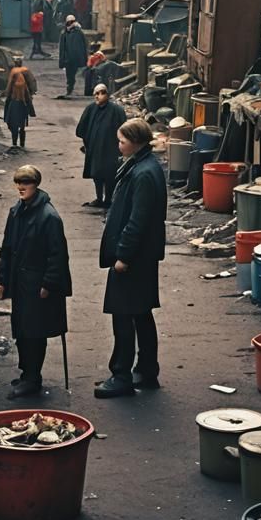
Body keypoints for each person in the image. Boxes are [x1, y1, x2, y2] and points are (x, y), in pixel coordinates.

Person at [94, 117, 167, 399]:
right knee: (140, 312)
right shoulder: (143, 166)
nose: (118, 144)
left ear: (135, 142)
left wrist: (123, 255)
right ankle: (147, 370)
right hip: (144, 256)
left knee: (123, 315)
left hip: (134, 258)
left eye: (122, 140)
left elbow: (138, 220)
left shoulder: (143, 173)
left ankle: (121, 375)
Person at [0, 166, 71, 399]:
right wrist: (2, 279)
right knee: (22, 329)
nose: (21, 187)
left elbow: (57, 255)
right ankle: (26, 371)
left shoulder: (49, 217)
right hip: (21, 281)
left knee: (35, 332)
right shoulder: (16, 211)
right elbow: (7, 248)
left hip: (37, 284)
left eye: (25, 183)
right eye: (18, 183)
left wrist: (48, 284)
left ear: (35, 184)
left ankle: (32, 378)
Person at [75, 84, 127, 208]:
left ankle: (108, 199)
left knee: (110, 174)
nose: (98, 96)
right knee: (96, 173)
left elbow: (125, 128)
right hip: (95, 148)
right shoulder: (90, 109)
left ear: (107, 95)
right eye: (96, 94)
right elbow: (81, 128)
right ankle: (99, 198)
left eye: (102, 93)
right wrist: (88, 140)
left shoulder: (116, 110)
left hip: (111, 149)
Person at [3, 55, 37, 152]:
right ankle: (22, 144)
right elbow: (33, 84)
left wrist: (7, 94)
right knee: (22, 124)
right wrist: (30, 94)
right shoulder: (26, 71)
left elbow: (9, 87)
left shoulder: (14, 72)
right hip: (24, 101)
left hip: (14, 100)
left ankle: (15, 143)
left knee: (12, 123)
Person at [57, 14, 87, 98]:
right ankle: (70, 89)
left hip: (73, 58)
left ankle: (70, 89)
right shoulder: (66, 33)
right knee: (70, 75)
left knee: (71, 75)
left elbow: (83, 46)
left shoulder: (76, 33)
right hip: (69, 59)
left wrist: (84, 58)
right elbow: (62, 48)